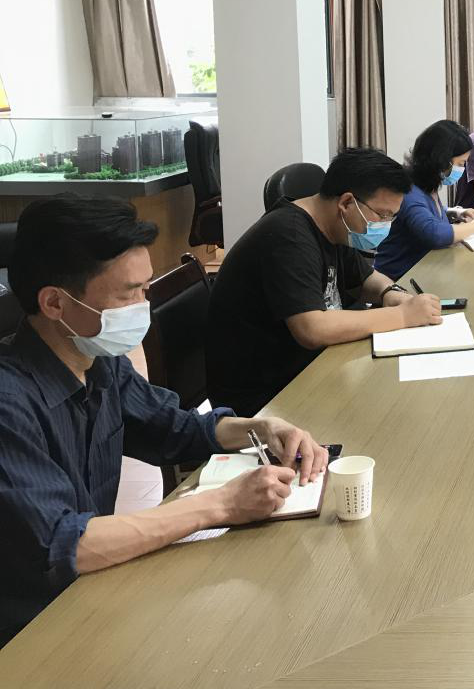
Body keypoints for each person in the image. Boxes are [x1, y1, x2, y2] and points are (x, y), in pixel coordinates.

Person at [0, 195, 328, 647]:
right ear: (55, 302)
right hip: (29, 632)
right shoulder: (9, 403)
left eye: (145, 287)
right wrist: (219, 506)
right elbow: (65, 544)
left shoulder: (98, 361)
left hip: (90, 594)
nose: (143, 304)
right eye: (128, 293)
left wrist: (262, 428)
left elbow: (174, 427)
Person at [206, 148, 442, 417]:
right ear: (346, 203)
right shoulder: (289, 236)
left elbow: (365, 277)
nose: (386, 225)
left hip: (307, 369)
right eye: (383, 215)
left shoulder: (334, 227)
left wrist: (391, 293)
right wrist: (402, 316)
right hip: (264, 399)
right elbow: (312, 329)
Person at [374, 121, 474, 281]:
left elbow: (427, 211)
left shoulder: (426, 184)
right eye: (461, 164)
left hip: (422, 269)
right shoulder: (409, 192)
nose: (462, 169)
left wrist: (455, 212)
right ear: (442, 160)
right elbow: (434, 234)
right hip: (398, 278)